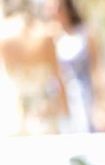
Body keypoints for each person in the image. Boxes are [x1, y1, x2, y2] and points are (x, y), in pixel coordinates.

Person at [0, 0, 67, 135]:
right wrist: (65, 110)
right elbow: (59, 77)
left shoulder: (4, 38)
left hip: (13, 116)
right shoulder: (46, 36)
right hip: (44, 115)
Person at [42, 0, 105, 132]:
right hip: (60, 102)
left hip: (84, 98)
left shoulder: (85, 34)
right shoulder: (50, 37)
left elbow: (97, 70)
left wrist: (102, 106)